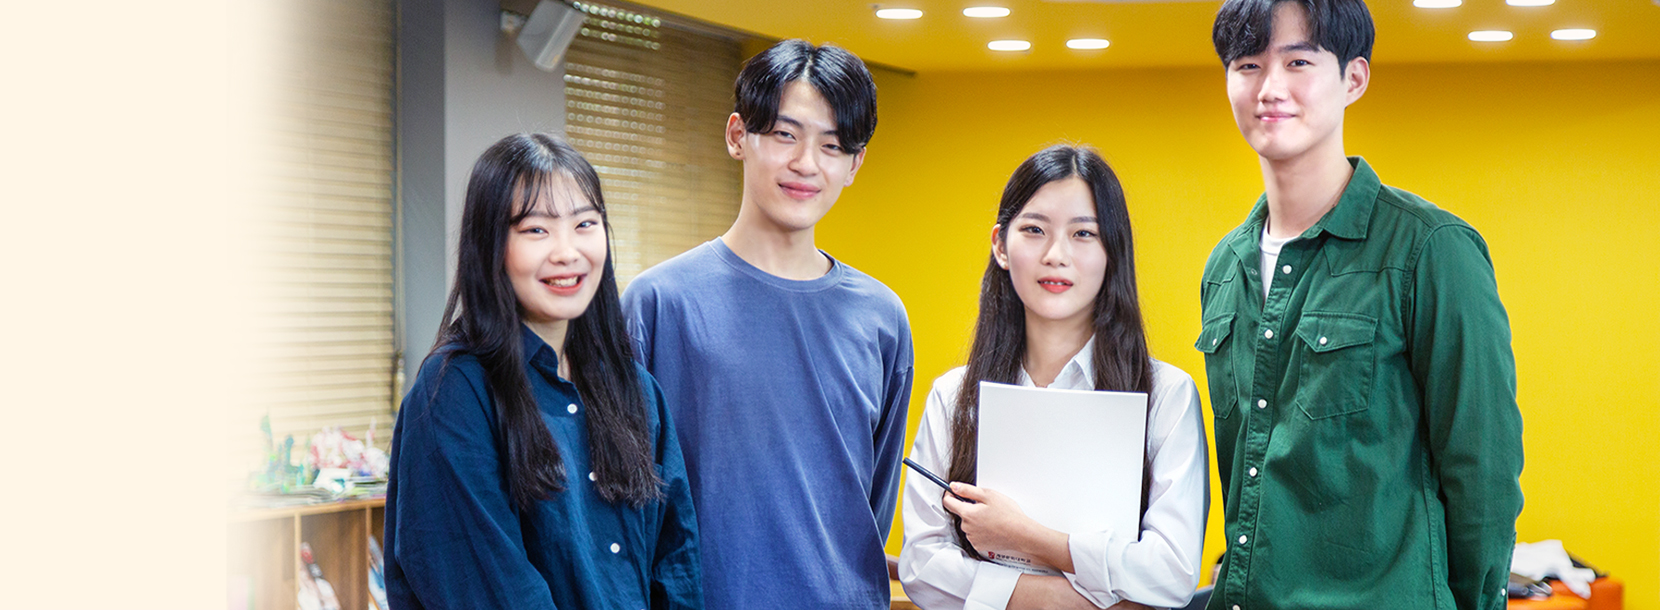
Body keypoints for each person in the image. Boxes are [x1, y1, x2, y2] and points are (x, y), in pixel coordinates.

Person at [1199, 0, 1524, 607]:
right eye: (1248, 65)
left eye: (1298, 62)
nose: (1270, 88)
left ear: (1354, 78)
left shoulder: (1431, 249)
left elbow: (1482, 474)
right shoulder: (1225, 266)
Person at [621, 39, 913, 610]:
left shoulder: (881, 317)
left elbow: (872, 503)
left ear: (855, 164)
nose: (807, 163)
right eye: (785, 134)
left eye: (833, 145)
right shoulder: (658, 303)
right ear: (738, 135)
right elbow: (626, 501)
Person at [383, 133, 701, 610]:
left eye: (585, 224)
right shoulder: (455, 393)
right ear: (491, 245)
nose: (567, 252)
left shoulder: (636, 391)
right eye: (536, 230)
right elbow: (488, 588)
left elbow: (677, 564)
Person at [899, 145, 1208, 610]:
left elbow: (1171, 574)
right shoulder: (954, 396)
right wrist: (1086, 601)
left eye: (1083, 233)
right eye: (1034, 230)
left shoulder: (1166, 395)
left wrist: (1024, 536)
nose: (1056, 254)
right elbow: (922, 568)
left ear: (1113, 251)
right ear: (1001, 246)